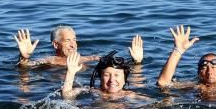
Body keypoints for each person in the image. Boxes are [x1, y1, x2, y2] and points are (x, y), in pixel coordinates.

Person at [14, 25, 143, 68]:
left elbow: (116, 68)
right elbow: (25, 68)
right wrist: (24, 57)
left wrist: (136, 62)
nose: (73, 44)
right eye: (67, 40)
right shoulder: (49, 61)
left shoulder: (89, 59)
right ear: (55, 44)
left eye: (74, 40)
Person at [61, 49, 150, 102]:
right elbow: (67, 96)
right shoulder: (93, 91)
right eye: (107, 75)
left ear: (124, 79)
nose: (112, 80)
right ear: (100, 78)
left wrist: (138, 62)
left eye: (116, 75)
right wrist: (70, 73)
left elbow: (153, 103)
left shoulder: (130, 95)